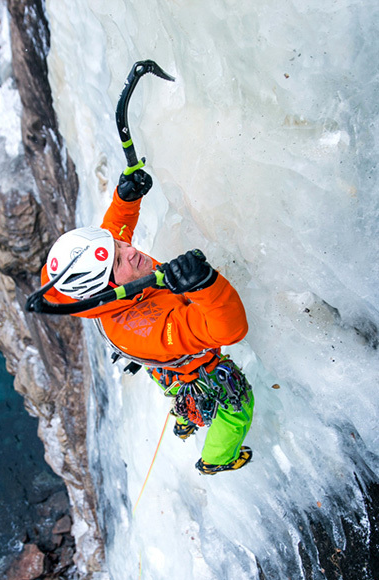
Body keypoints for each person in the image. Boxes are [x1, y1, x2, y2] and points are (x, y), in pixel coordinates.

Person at [40, 169, 254, 475]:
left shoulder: (101, 284)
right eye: (118, 259)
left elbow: (114, 233)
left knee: (181, 386)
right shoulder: (145, 327)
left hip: (164, 364)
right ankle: (217, 459)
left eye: (119, 246)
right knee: (237, 405)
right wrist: (205, 285)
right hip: (184, 358)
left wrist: (125, 201)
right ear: (107, 290)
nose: (130, 250)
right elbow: (228, 330)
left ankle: (186, 417)